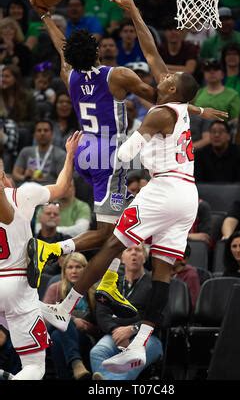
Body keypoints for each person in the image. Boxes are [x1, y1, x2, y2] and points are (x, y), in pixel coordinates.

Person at [35, 0, 228, 372]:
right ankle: (121, 321)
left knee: (113, 240)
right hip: (165, 182)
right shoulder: (131, 82)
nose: (164, 79)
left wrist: (46, 17)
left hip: (92, 150)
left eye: (169, 82)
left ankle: (71, 290)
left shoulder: (70, 72)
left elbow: (64, 47)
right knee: (138, 256)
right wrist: (199, 111)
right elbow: (152, 73)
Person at [0, 131, 82, 380]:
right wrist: (69, 156)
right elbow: (62, 187)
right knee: (35, 366)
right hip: (16, 281)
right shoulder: (22, 195)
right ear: (5, 176)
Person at [90, 244, 163, 380]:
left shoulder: (155, 283)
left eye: (138, 250)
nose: (134, 253)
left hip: (147, 337)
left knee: (132, 359)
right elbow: (101, 314)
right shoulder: (112, 281)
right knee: (97, 352)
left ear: (145, 257)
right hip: (115, 335)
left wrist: (132, 329)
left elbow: (161, 316)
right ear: (122, 258)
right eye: (129, 249)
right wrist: (117, 331)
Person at [43, 253, 98, 380]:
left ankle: (71, 370)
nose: (74, 271)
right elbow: (45, 319)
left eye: (78, 267)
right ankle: (76, 363)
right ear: (64, 270)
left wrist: (86, 327)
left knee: (58, 338)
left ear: (85, 269)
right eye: (70, 267)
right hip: (54, 328)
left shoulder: (94, 290)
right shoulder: (55, 288)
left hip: (83, 335)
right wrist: (73, 320)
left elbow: (99, 325)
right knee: (63, 322)